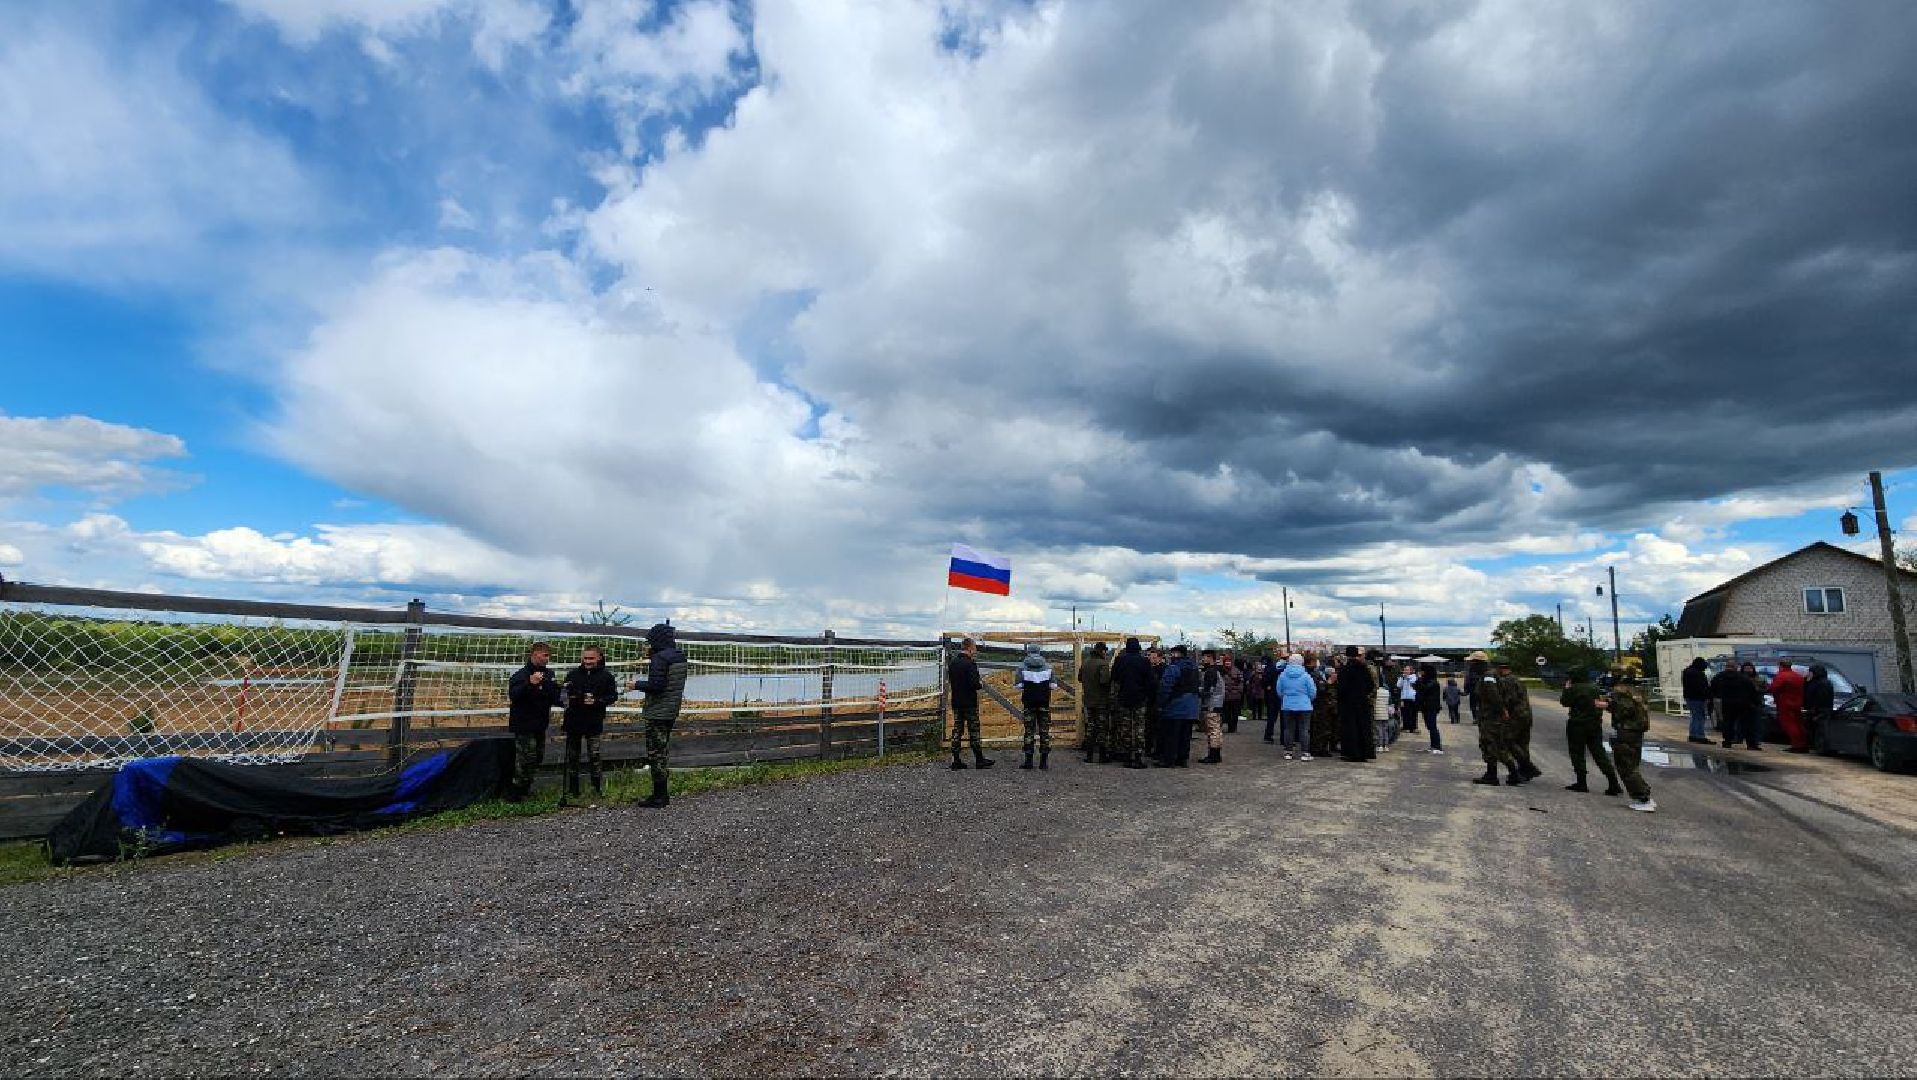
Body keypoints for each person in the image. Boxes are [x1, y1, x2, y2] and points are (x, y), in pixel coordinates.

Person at [631, 621, 688, 807]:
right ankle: (661, 794)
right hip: (671, 710)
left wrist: (636, 685)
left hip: (657, 712)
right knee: (662, 751)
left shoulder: (660, 659)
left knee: (656, 753)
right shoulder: (679, 656)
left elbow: (657, 686)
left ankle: (659, 796)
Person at [560, 645, 618, 803]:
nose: (587, 661)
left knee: (595, 755)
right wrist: (569, 698)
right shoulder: (572, 675)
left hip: (594, 721)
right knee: (573, 756)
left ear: (599, 658)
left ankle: (596, 788)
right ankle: (573, 789)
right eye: (585, 658)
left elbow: (613, 696)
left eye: (591, 658)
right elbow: (562, 696)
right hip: (573, 721)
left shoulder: (607, 676)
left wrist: (598, 701)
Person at [506, 641, 562, 801]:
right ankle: (516, 794)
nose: (547, 658)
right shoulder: (520, 675)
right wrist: (529, 684)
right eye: (545, 655)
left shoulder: (549, 675)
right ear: (535, 654)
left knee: (537, 758)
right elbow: (515, 696)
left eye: (548, 655)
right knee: (525, 760)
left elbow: (553, 695)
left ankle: (526, 789)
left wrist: (567, 699)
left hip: (540, 724)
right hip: (524, 725)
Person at [1559, 669, 1621, 795]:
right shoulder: (1595, 688)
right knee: (1599, 753)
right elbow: (1602, 704)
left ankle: (1582, 783)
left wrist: (1566, 689)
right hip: (1594, 725)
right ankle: (1613, 782)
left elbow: (1564, 702)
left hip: (1577, 725)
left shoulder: (1574, 689)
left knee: (1577, 754)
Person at [1465, 651, 1523, 786]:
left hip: (1491, 718)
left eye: (1472, 663)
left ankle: (1494, 775)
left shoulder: (1488, 677)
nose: (1470, 666)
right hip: (1491, 717)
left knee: (1490, 745)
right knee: (1496, 746)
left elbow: (1494, 696)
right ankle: (1508, 774)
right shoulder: (1490, 675)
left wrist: (1502, 711)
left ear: (1479, 663)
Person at [1603, 671, 1656, 812]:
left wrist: (1607, 705)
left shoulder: (1620, 691)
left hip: (1626, 730)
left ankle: (1643, 798)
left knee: (1626, 766)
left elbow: (1625, 710)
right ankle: (1643, 795)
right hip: (1637, 730)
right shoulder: (1637, 690)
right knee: (1632, 764)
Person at [947, 637, 994, 770]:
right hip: (969, 702)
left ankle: (956, 759)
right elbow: (974, 684)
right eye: (974, 648)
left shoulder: (953, 663)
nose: (975, 650)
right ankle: (979, 759)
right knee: (974, 730)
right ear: (970, 648)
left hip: (956, 701)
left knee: (957, 730)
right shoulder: (970, 664)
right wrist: (980, 684)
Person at [1109, 637, 1154, 769]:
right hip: (1139, 699)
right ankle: (1138, 756)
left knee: (1126, 728)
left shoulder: (1120, 660)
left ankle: (1127, 756)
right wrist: (1146, 694)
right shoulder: (1144, 661)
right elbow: (1151, 681)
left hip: (1124, 698)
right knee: (1139, 728)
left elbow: (1114, 678)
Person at [1495, 659, 1542, 779]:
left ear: (1501, 668)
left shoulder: (1506, 681)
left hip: (1516, 716)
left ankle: (1528, 766)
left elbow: (1510, 700)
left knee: (1508, 741)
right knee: (1522, 743)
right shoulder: (1517, 680)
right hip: (1526, 715)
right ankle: (1524, 771)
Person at [1156, 645, 1200, 767]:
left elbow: (1166, 687)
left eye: (1173, 653)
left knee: (1171, 735)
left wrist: (1161, 703)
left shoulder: (1174, 668)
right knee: (1185, 735)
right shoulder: (1194, 668)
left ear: (1177, 654)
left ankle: (1168, 760)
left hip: (1176, 706)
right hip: (1191, 706)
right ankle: (1183, 759)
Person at [1015, 643, 1057, 770]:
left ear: (1028, 652)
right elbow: (1054, 686)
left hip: (1029, 703)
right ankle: (1043, 762)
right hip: (1044, 702)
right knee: (1044, 732)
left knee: (1029, 732)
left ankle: (1028, 761)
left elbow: (1018, 686)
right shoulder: (1048, 667)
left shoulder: (1022, 667)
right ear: (1039, 652)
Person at [1336, 646, 1377, 762]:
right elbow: (1371, 685)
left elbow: (1341, 688)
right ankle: (1364, 753)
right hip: (1362, 702)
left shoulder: (1345, 669)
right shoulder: (1364, 668)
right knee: (1363, 727)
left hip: (1348, 703)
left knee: (1350, 728)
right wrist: (1363, 694)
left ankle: (1351, 753)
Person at [1275, 652, 1316, 760]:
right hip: (1304, 705)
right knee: (1304, 729)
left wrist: (1285, 698)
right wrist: (1307, 700)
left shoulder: (1283, 675)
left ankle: (1288, 752)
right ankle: (1305, 753)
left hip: (1288, 705)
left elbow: (1279, 691)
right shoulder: (1306, 675)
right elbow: (1312, 691)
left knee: (1288, 729)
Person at [1712, 660, 1760, 750]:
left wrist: (1718, 696)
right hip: (1743, 704)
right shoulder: (1743, 678)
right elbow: (1752, 691)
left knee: (1728, 723)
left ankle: (1727, 742)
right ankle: (1751, 744)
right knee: (1747, 724)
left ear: (1726, 667)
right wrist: (1756, 702)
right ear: (1736, 667)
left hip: (1727, 703)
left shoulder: (1719, 677)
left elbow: (1713, 688)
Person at [1079, 641, 1113, 763]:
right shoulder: (1103, 664)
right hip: (1101, 702)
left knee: (1090, 727)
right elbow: (1105, 681)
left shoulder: (1086, 662)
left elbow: (1079, 678)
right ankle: (1102, 756)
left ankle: (1089, 755)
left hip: (1088, 700)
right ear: (1103, 651)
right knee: (1102, 728)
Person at [1770, 660, 1808, 753]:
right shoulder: (1798, 676)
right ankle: (1803, 744)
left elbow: (1774, 688)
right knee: (1798, 724)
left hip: (1785, 703)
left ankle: (1796, 745)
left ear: (1780, 666)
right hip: (1798, 703)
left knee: (1789, 724)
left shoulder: (1781, 676)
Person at [1197, 650, 1226, 764]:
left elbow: (1208, 690)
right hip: (1217, 703)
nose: (1203, 660)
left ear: (1210, 658)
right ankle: (1215, 754)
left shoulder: (1210, 672)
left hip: (1211, 704)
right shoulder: (1218, 671)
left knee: (1212, 730)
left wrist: (1198, 691)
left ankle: (1213, 755)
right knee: (1216, 730)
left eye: (1204, 657)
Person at [1310, 653, 1340, 758]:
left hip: (1326, 704)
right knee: (1322, 727)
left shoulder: (1318, 673)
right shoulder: (1317, 674)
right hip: (1323, 704)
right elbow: (1321, 689)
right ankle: (1319, 748)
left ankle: (1324, 746)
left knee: (1328, 727)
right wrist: (1330, 682)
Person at [1681, 657, 1714, 744]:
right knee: (1700, 717)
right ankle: (1699, 736)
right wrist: (1707, 696)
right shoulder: (1698, 674)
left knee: (1694, 716)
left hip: (1689, 697)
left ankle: (1693, 735)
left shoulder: (1686, 672)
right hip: (1697, 698)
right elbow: (1701, 687)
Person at [1804, 663, 1835, 753]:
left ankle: (1818, 746)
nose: (1808, 674)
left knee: (1817, 729)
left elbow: (1821, 698)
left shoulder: (1822, 684)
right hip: (1816, 710)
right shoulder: (1816, 682)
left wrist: (1815, 709)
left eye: (1810, 672)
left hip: (1819, 711)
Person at [1143, 647, 1166, 760]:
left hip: (1157, 701)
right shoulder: (1148, 669)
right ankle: (1148, 748)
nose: (1150, 659)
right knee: (1149, 726)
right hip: (1149, 700)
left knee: (1156, 727)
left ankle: (1156, 749)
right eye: (1149, 657)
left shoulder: (1163, 670)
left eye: (1153, 657)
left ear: (1160, 658)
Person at [1415, 663, 1443, 753]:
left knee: (1432, 726)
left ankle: (1437, 746)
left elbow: (1425, 689)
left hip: (1431, 707)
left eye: (1422, 672)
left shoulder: (1433, 682)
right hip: (1426, 707)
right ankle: (1433, 745)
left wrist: (1419, 681)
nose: (1421, 673)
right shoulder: (1427, 681)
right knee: (1430, 726)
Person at [1262, 647, 1285, 743]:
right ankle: (1283, 738)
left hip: (1273, 694)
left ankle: (1268, 735)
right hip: (1281, 694)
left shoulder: (1271, 666)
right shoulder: (1286, 667)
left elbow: (1265, 679)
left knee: (1272, 716)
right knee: (1283, 717)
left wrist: (1267, 686)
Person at [1221, 655, 1245, 735]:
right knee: (1227, 712)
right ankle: (1229, 726)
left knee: (1235, 713)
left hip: (1235, 695)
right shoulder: (1221, 671)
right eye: (1226, 661)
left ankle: (1233, 727)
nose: (1228, 663)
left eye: (1229, 661)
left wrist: (1239, 691)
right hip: (1226, 696)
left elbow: (1241, 681)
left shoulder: (1237, 670)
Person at [1397, 666, 1419, 747]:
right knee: (1405, 712)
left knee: (1413, 712)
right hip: (1404, 697)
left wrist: (1407, 677)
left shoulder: (1413, 677)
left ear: (1411, 671)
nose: (1405, 671)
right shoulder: (1402, 677)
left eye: (1407, 670)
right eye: (1405, 670)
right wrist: (1402, 678)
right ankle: (1406, 726)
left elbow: (1413, 681)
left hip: (1412, 697)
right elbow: (1398, 685)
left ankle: (1413, 727)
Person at [1245, 654, 1267, 735]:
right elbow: (1249, 682)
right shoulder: (1253, 674)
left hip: (1260, 690)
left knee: (1260, 703)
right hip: (1254, 690)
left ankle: (1260, 716)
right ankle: (1254, 716)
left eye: (1259, 665)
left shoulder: (1263, 673)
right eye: (1257, 665)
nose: (1258, 667)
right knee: (1254, 704)